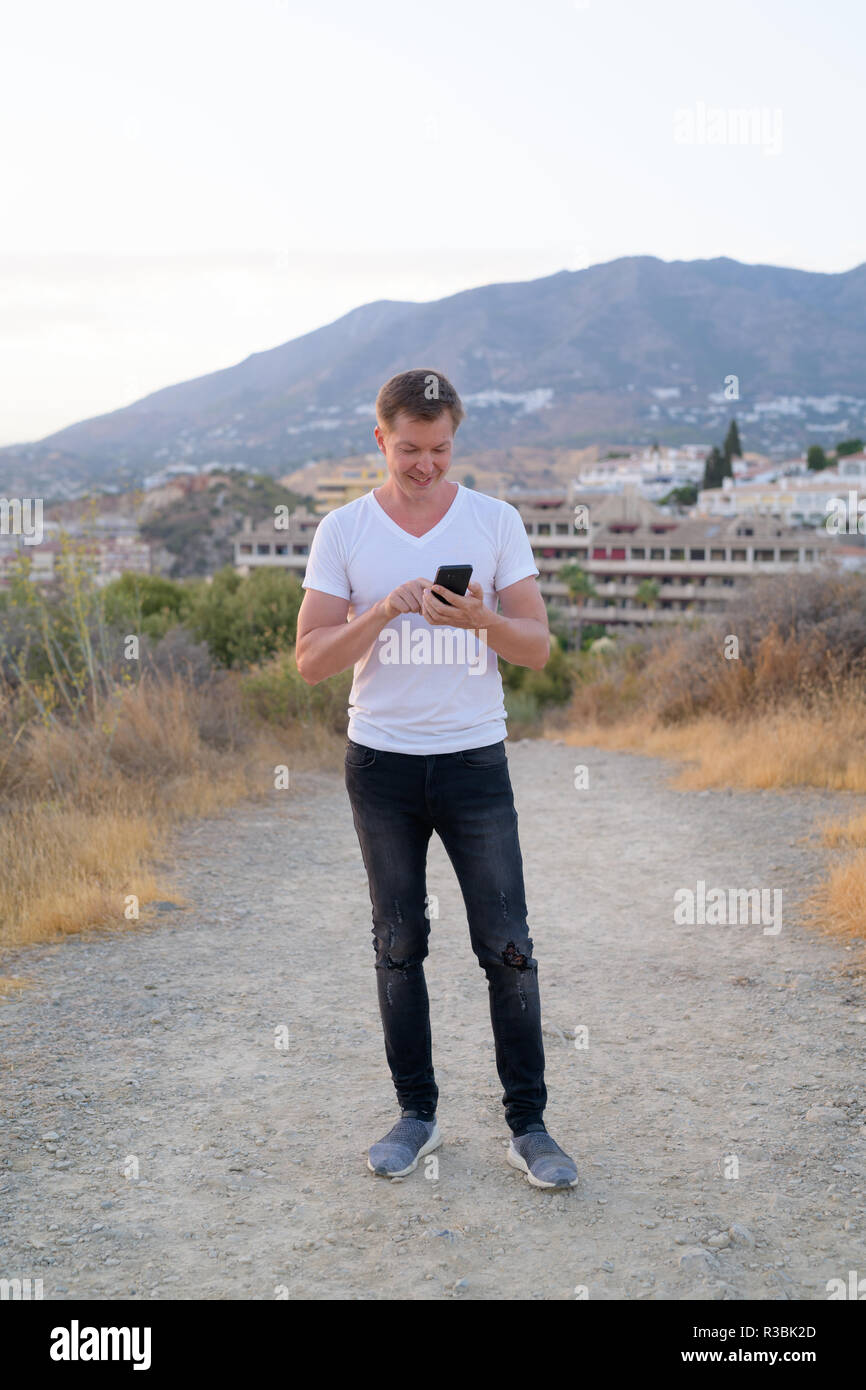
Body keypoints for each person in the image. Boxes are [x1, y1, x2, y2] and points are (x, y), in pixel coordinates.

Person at [296, 367, 578, 1190]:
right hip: (380, 765)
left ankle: (530, 1126)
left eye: (442, 449)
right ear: (380, 440)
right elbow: (311, 661)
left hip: (474, 763)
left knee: (509, 947)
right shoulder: (342, 531)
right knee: (398, 944)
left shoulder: (495, 520)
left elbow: (537, 647)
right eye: (410, 449)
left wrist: (483, 618)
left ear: (456, 440)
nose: (426, 465)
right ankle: (416, 1116)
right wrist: (382, 610)